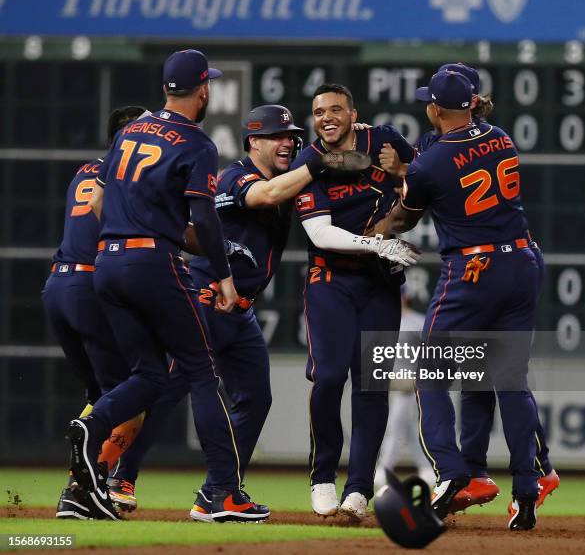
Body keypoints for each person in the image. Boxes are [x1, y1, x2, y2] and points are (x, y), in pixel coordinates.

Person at [103, 104, 364, 514]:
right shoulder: (234, 177)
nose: (287, 142)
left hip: (241, 312)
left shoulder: (288, 178)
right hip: (205, 299)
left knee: (256, 397)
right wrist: (318, 158)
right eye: (277, 135)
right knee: (165, 390)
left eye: (291, 135)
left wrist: (354, 140)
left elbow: (332, 176)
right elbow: (268, 195)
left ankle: (220, 490)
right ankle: (118, 475)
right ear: (253, 142)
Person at [66, 49, 270, 523]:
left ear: (164, 89)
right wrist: (222, 276)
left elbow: (100, 200)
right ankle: (222, 496)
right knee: (201, 372)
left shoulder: (127, 134)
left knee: (150, 375)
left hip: (107, 262)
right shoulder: (197, 143)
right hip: (151, 261)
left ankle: (90, 427)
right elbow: (204, 217)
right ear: (203, 90)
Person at [379, 63, 559, 514]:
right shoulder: (502, 137)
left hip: (474, 270)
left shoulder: (432, 161)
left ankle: (452, 473)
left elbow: (405, 216)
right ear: (474, 103)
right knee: (503, 378)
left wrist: (377, 226)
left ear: (436, 108)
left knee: (429, 372)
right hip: (522, 260)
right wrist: (410, 167)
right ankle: (528, 480)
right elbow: (447, 167)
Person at [292, 83, 420, 521]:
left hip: (380, 285)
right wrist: (378, 245)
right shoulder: (309, 161)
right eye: (318, 111)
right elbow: (320, 233)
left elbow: (428, 181)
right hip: (330, 281)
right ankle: (323, 476)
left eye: (335, 109)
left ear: (353, 114)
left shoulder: (383, 139)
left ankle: (359, 488)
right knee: (329, 377)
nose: (326, 117)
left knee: (371, 386)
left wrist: (403, 168)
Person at [42, 106, 150, 519]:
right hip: (92, 286)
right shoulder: (130, 173)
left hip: (57, 287)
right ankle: (84, 486)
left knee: (101, 397)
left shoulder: (84, 171)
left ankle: (81, 477)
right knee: (133, 397)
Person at [373, 287, 436, 490]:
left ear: (406, 297)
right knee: (407, 427)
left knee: (395, 424)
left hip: (411, 381)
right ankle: (426, 468)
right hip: (391, 380)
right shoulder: (384, 320)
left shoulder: (418, 321)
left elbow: (430, 351)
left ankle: (385, 467)